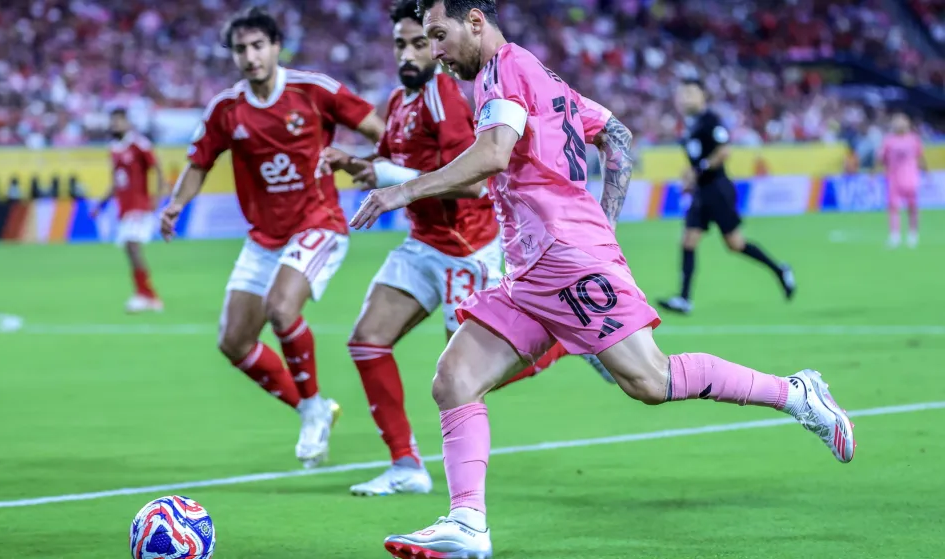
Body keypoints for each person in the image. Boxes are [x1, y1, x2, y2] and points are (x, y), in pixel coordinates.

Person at [350, 2, 856, 557]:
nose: (437, 51)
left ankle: (797, 393)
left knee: (650, 382)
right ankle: (468, 523)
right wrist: (606, 221)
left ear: (475, 21)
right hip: (530, 269)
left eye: (440, 36)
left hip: (565, 259)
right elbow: (616, 132)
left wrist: (402, 190)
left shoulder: (505, 71)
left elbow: (494, 155)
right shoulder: (536, 73)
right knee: (454, 379)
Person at [318, 0, 610, 498]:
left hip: (464, 247)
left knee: (462, 377)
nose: (412, 53)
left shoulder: (452, 99)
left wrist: (391, 180)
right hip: (421, 242)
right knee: (366, 341)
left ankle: (561, 343)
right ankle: (406, 465)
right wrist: (358, 162)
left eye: (422, 41)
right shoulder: (398, 102)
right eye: (401, 44)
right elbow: (393, 161)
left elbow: (476, 182)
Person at [159, 7, 385, 468]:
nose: (250, 56)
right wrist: (178, 204)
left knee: (282, 308)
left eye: (258, 45)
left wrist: (365, 162)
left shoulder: (314, 90)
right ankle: (312, 407)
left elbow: (379, 130)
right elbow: (199, 162)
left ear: (276, 46)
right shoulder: (227, 109)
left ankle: (313, 410)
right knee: (233, 341)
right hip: (263, 238)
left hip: (318, 223)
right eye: (241, 49)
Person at [657, 79, 796, 315]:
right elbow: (696, 160)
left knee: (735, 244)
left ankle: (780, 270)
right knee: (688, 241)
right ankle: (684, 299)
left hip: (718, 189)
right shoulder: (690, 125)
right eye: (682, 93)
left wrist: (699, 169)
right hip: (702, 190)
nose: (684, 97)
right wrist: (689, 177)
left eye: (690, 92)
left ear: (703, 96)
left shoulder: (711, 120)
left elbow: (724, 151)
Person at [92, 108, 167, 313]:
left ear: (127, 122)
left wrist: (158, 197)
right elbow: (116, 182)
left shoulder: (139, 144)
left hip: (139, 205)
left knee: (132, 246)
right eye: (113, 121)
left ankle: (147, 295)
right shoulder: (114, 148)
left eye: (119, 121)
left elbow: (158, 169)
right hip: (124, 208)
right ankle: (144, 293)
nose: (115, 125)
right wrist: (100, 205)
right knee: (129, 249)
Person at [877, 112, 925, 249]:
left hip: (908, 178)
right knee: (896, 208)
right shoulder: (889, 140)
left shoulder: (912, 139)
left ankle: (911, 236)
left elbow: (920, 157)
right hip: (896, 179)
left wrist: (926, 173)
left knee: (911, 208)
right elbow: (882, 158)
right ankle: (897, 236)